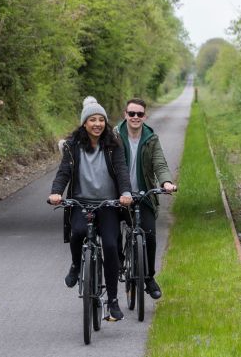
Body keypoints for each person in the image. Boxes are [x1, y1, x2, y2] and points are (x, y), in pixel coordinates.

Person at [49, 96, 132, 321]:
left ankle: (113, 300)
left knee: (111, 245)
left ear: (105, 122)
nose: (97, 124)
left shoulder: (113, 145)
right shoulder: (72, 146)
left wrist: (125, 193)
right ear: (84, 123)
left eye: (101, 120)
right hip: (81, 202)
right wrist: (56, 192)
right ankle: (76, 265)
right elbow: (64, 172)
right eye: (92, 120)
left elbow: (122, 170)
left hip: (108, 204)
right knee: (77, 233)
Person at [115, 98, 176, 300]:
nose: (135, 117)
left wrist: (166, 182)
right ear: (125, 114)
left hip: (143, 196)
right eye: (131, 113)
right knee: (111, 230)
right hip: (119, 195)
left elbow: (159, 162)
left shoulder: (151, 138)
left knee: (149, 235)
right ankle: (118, 260)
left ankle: (149, 277)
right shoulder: (114, 135)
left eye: (139, 114)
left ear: (144, 116)